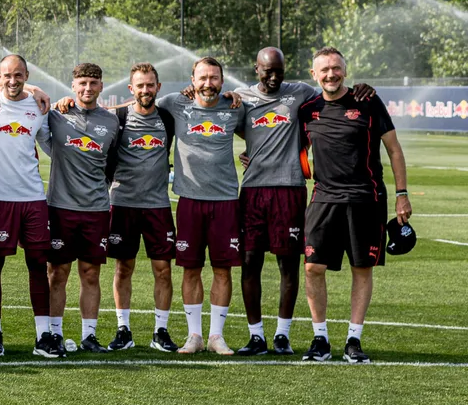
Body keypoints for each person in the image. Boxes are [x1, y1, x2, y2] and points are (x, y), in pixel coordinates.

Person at [236, 47, 372, 354]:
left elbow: (334, 91)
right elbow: (219, 119)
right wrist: (255, 149)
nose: (273, 78)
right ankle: (256, 336)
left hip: (290, 189)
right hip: (254, 190)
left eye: (279, 72)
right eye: (266, 71)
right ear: (256, 69)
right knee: (249, 263)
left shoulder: (301, 93)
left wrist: (361, 89)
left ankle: (282, 335)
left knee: (289, 264)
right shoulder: (240, 97)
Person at [297, 47, 409, 363]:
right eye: (324, 70)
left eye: (336, 68)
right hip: (323, 199)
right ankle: (320, 340)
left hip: (367, 200)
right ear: (314, 75)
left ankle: (353, 341)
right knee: (312, 267)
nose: (331, 74)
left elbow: (394, 150)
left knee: (362, 269)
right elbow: (294, 150)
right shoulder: (307, 110)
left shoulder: (368, 101)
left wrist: (402, 193)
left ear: (345, 70)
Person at [158, 57, 247, 354]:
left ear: (223, 81)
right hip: (189, 200)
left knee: (223, 270)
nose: (208, 83)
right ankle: (194, 336)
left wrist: (251, 152)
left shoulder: (235, 107)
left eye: (214, 78)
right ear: (192, 80)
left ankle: (216, 337)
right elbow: (140, 103)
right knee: (190, 269)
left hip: (225, 202)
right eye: (202, 78)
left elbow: (263, 133)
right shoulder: (174, 103)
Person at [0, 54, 53, 357]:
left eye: (18, 75)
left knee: (38, 264)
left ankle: (43, 335)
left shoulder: (39, 107)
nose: (12, 81)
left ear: (26, 75)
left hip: (32, 197)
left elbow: (50, 144)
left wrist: (39, 94)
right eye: (6, 75)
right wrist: (1, 82)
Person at [43, 64, 121, 356]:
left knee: (90, 273)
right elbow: (40, 135)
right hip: (60, 207)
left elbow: (112, 162)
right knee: (57, 273)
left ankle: (89, 336)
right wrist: (57, 102)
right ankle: (54, 335)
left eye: (93, 83)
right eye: (82, 83)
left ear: (101, 86)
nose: (87, 88)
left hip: (97, 209)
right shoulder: (56, 115)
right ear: (73, 86)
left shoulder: (111, 122)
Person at [105, 63, 180, 352]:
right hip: (122, 203)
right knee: (124, 267)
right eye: (140, 85)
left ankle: (161, 331)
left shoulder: (168, 118)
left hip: (158, 205)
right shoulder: (118, 117)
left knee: (163, 270)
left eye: (150, 85)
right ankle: (123, 329)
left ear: (158, 87)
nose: (145, 90)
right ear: (131, 89)